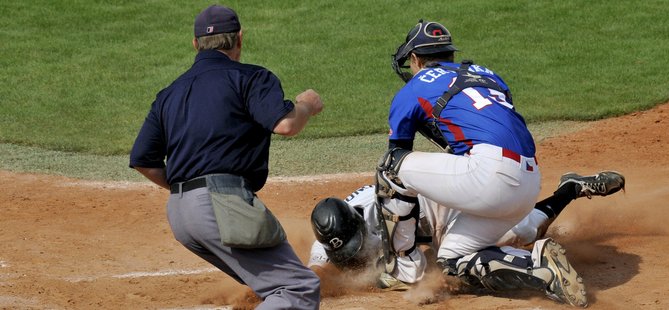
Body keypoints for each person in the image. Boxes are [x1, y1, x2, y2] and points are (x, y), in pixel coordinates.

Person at [370, 20, 615, 307]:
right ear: (449, 54)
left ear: (414, 59)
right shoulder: (487, 75)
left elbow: (399, 154)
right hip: (528, 180)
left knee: (390, 168)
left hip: (490, 177)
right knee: (451, 260)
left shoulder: (413, 89)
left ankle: (403, 271)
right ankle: (539, 268)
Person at [129, 5, 321, 309]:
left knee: (267, 283)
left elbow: (143, 159)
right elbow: (286, 124)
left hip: (181, 213)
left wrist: (191, 193)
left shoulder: (169, 93)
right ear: (239, 39)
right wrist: (306, 104)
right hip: (222, 207)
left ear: (195, 44)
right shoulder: (250, 77)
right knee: (298, 287)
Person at [309, 171, 625, 306]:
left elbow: (416, 259)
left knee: (522, 233)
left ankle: (568, 189)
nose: (351, 257)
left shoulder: (381, 214)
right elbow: (316, 274)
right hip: (426, 229)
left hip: (445, 211)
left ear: (360, 224)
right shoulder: (326, 241)